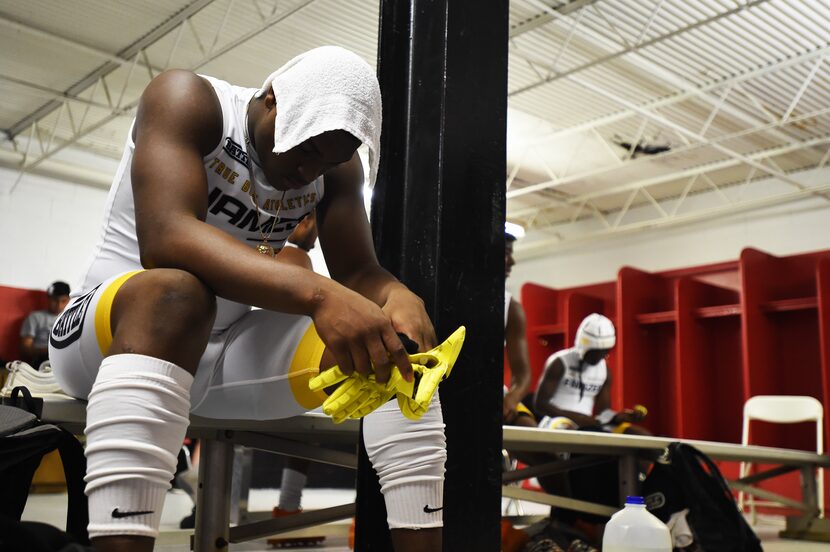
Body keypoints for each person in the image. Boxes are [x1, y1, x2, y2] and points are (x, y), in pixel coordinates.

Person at [49, 46, 458, 552]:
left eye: (326, 162)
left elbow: (358, 271)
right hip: (113, 339)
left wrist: (397, 295)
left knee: (395, 351)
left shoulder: (334, 171)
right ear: (271, 100)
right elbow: (166, 236)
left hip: (225, 358)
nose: (307, 173)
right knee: (178, 292)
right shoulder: (189, 100)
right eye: (304, 151)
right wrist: (318, 293)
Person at [534, 313, 649, 436]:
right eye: (596, 352)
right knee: (568, 431)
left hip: (589, 424)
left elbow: (603, 412)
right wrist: (578, 418)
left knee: (640, 434)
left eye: (605, 352)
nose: (601, 356)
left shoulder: (605, 370)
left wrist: (618, 417)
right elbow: (540, 404)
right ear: (583, 345)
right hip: (555, 421)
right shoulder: (560, 362)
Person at [503, 231, 534, 428]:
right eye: (505, 253)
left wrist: (512, 399)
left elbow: (522, 374)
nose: (512, 262)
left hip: (496, 396)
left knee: (538, 441)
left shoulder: (511, 307)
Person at [19, 281, 70, 367]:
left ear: (69, 300)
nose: (59, 305)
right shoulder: (35, 317)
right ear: (49, 298)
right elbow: (25, 349)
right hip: (42, 360)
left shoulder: (70, 318)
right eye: (55, 300)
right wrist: (49, 350)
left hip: (65, 360)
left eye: (63, 301)